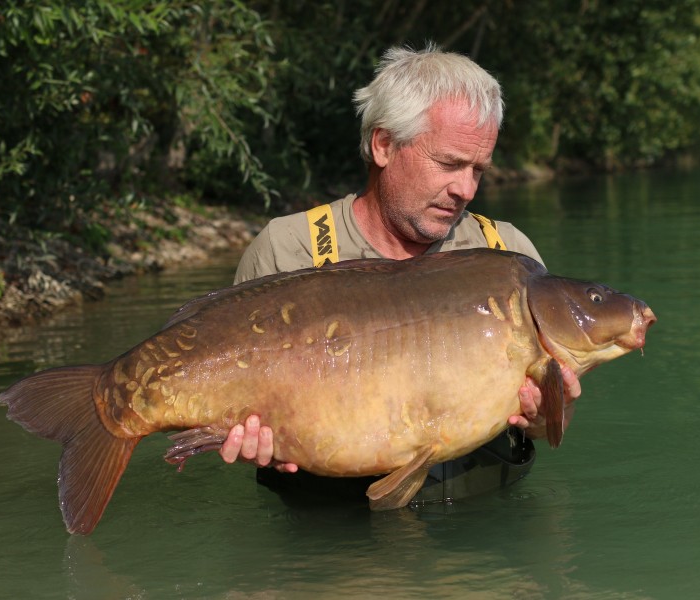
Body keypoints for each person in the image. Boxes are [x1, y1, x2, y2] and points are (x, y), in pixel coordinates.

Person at [218, 44, 580, 505]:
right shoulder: (289, 250)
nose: (465, 189)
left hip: (482, 526)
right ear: (383, 145)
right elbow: (231, 398)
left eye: (478, 170)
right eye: (449, 164)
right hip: (326, 536)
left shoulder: (506, 256)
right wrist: (247, 440)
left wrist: (550, 415)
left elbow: (550, 423)